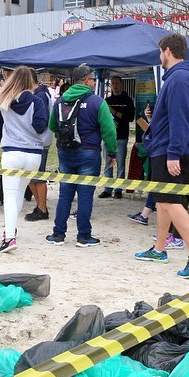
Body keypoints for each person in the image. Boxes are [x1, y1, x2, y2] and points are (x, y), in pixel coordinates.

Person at [133, 34, 189, 279]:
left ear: (167, 51)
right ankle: (159, 249)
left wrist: (174, 153)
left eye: (159, 52)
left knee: (169, 201)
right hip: (167, 147)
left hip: (169, 149)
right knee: (162, 200)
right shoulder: (183, 77)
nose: (159, 56)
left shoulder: (178, 78)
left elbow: (179, 119)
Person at [44, 63, 116, 248]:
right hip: (89, 153)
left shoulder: (60, 101)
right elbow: (109, 131)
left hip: (65, 152)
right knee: (85, 196)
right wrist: (113, 152)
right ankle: (83, 236)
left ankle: (58, 234)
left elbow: (52, 126)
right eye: (93, 79)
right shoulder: (97, 102)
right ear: (86, 80)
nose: (94, 82)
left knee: (64, 195)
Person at [0, 66, 49, 253]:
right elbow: (41, 127)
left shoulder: (4, 99)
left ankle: (9, 236)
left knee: (10, 195)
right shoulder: (37, 101)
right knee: (18, 194)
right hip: (33, 153)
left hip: (12, 152)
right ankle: (11, 232)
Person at [99, 77, 135, 199]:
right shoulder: (107, 101)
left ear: (121, 85)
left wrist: (115, 112)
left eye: (117, 83)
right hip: (108, 137)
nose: (115, 86)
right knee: (108, 163)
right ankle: (108, 189)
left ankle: (118, 189)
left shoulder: (128, 100)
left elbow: (130, 118)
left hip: (122, 136)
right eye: (112, 84)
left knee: (120, 164)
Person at [25, 69, 53, 222]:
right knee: (31, 176)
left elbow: (41, 122)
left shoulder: (40, 95)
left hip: (40, 141)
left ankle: (42, 208)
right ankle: (39, 206)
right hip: (35, 141)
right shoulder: (38, 94)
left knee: (38, 176)